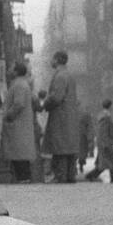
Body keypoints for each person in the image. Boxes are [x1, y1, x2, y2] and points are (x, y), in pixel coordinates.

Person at [41, 50, 81, 184]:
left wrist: (45, 103)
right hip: (69, 118)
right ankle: (70, 177)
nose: (51, 61)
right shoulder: (69, 75)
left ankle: (61, 177)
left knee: (60, 149)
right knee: (68, 150)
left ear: (57, 59)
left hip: (60, 118)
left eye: (53, 59)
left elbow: (56, 97)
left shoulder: (60, 76)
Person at [0, 61, 37, 182]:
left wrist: (8, 116)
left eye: (11, 68)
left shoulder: (19, 85)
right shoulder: (21, 84)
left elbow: (19, 104)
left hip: (18, 127)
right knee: (19, 156)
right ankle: (23, 178)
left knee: (19, 156)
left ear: (16, 71)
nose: (9, 70)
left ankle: (23, 180)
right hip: (19, 127)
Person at [84, 98, 113, 182]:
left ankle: (92, 176)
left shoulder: (105, 116)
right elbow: (102, 133)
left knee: (106, 164)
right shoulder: (105, 117)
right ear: (110, 106)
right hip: (108, 144)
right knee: (111, 163)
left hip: (108, 143)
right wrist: (105, 144)